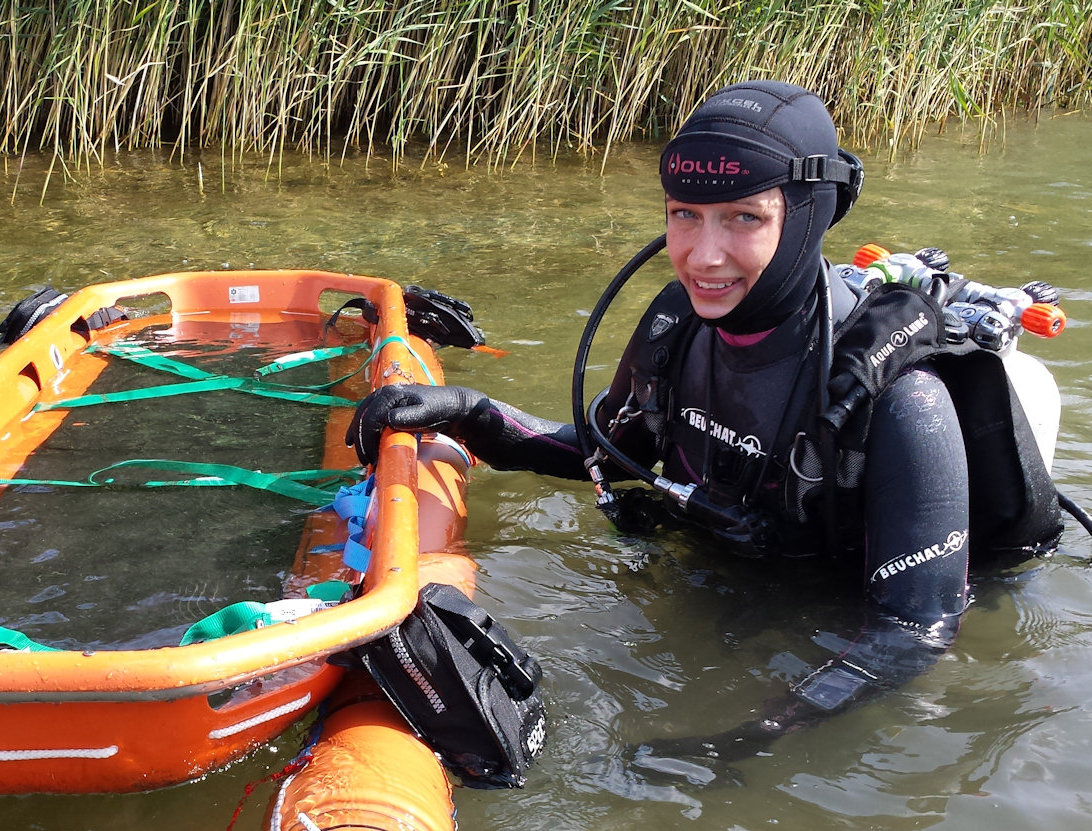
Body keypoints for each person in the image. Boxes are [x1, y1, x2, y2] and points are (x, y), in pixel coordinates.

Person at [346, 80, 1063, 767]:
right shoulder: (675, 324)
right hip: (721, 579)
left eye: (743, 218)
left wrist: (750, 735)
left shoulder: (906, 401)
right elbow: (603, 454)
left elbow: (915, 633)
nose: (702, 254)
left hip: (831, 612)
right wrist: (468, 413)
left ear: (808, 214)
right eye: (683, 214)